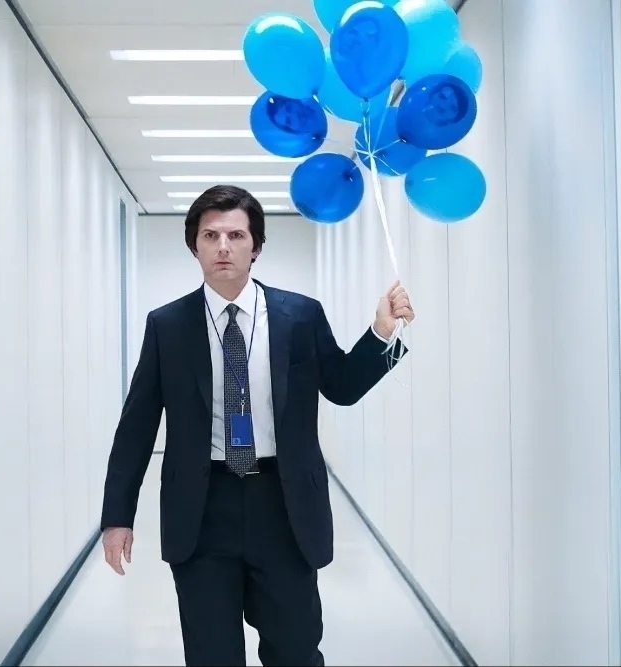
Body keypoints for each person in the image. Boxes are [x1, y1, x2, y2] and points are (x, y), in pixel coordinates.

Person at [99, 184, 414, 666]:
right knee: (211, 654)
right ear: (194, 245)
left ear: (256, 246)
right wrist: (117, 516)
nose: (223, 246)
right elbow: (137, 425)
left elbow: (342, 387)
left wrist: (381, 334)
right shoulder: (167, 325)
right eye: (210, 235)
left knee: (294, 650)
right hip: (202, 509)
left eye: (236, 235)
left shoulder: (299, 316)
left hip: (283, 505)